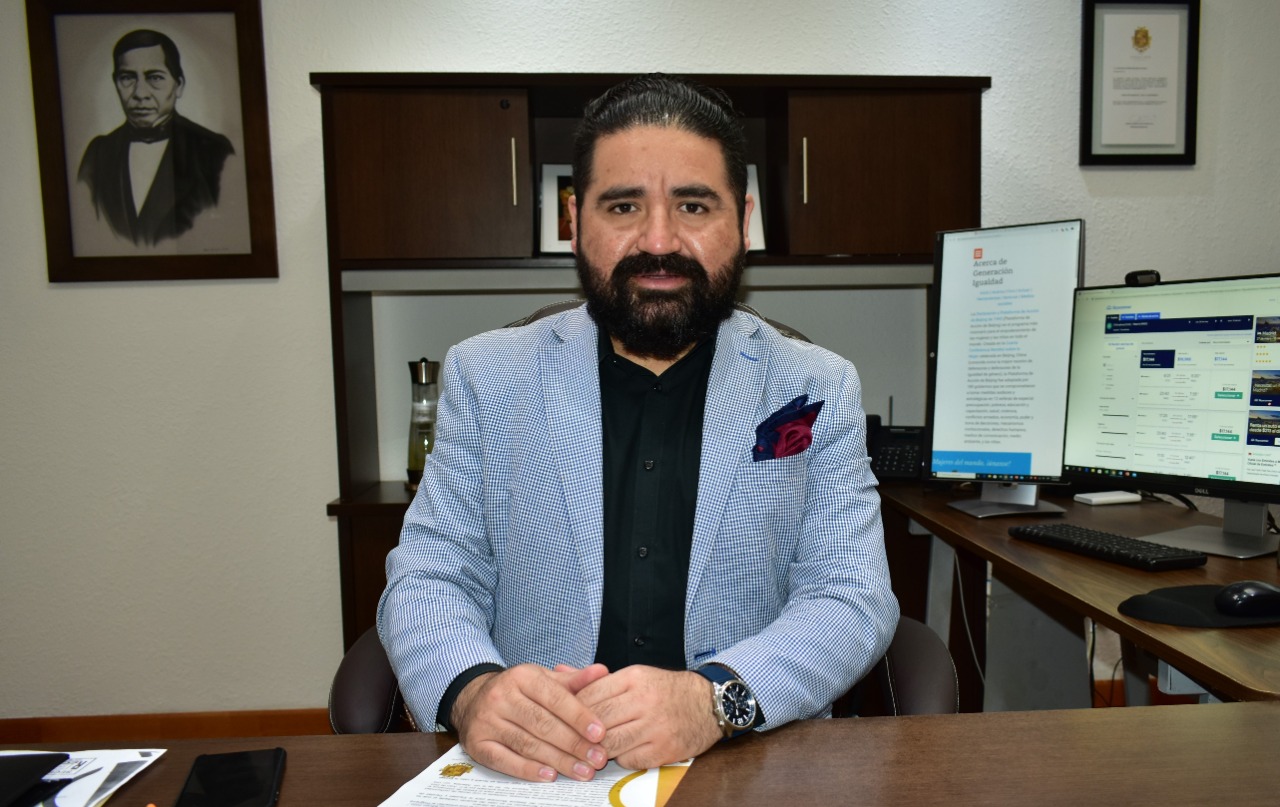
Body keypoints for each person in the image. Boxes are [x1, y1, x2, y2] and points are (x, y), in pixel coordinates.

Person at [378, 73, 898, 784]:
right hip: (541, 770)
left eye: (693, 205)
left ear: (742, 220)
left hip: (746, 761)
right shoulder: (487, 377)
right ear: (575, 220)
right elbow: (430, 576)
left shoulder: (814, 387)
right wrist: (472, 691)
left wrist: (715, 699)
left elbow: (850, 595)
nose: (659, 240)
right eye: (623, 205)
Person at [77, 29, 234, 246]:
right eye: (127, 78)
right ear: (116, 83)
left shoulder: (214, 151)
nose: (140, 93)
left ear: (179, 85)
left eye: (155, 78)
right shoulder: (98, 153)